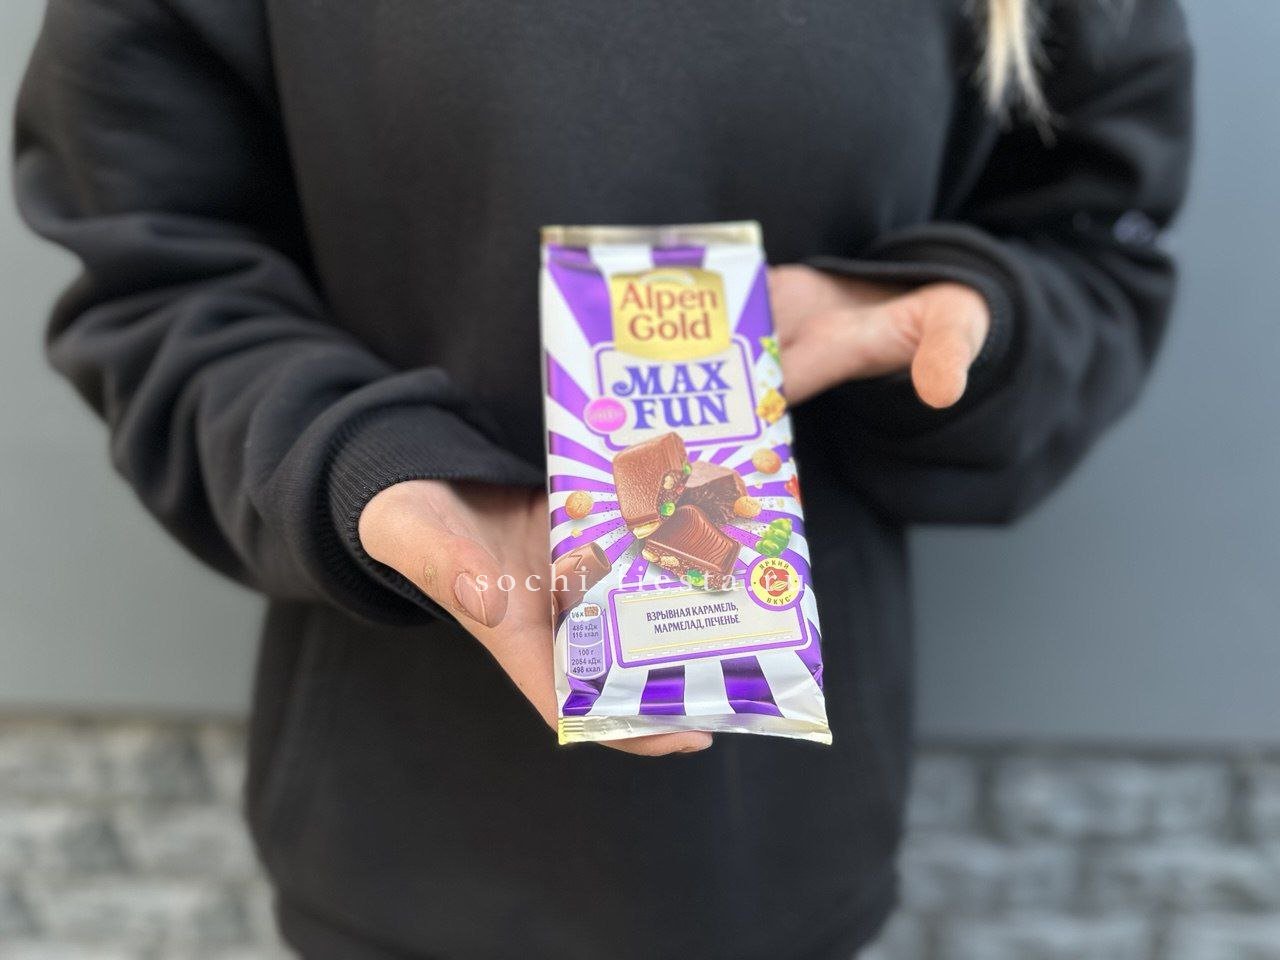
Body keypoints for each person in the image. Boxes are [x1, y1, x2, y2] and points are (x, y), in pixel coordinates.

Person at [13, 0, 1192, 957]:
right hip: (395, 836)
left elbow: (1094, 245)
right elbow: (153, 271)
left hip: (785, 853)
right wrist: (358, 464)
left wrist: (952, 327)